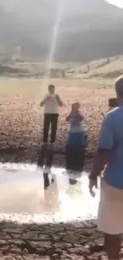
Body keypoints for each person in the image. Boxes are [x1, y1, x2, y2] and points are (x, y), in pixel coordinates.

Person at [89, 75, 123, 260]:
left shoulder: (113, 117)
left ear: (117, 93)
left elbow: (104, 152)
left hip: (116, 183)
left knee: (112, 232)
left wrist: (93, 175)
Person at [65, 102, 86, 173]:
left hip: (79, 132)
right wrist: (71, 114)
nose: (73, 108)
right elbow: (67, 119)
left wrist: (76, 113)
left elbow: (81, 118)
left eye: (75, 107)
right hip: (73, 132)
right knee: (70, 148)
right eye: (73, 107)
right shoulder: (71, 113)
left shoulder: (79, 113)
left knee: (79, 149)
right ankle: (71, 165)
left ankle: (78, 165)